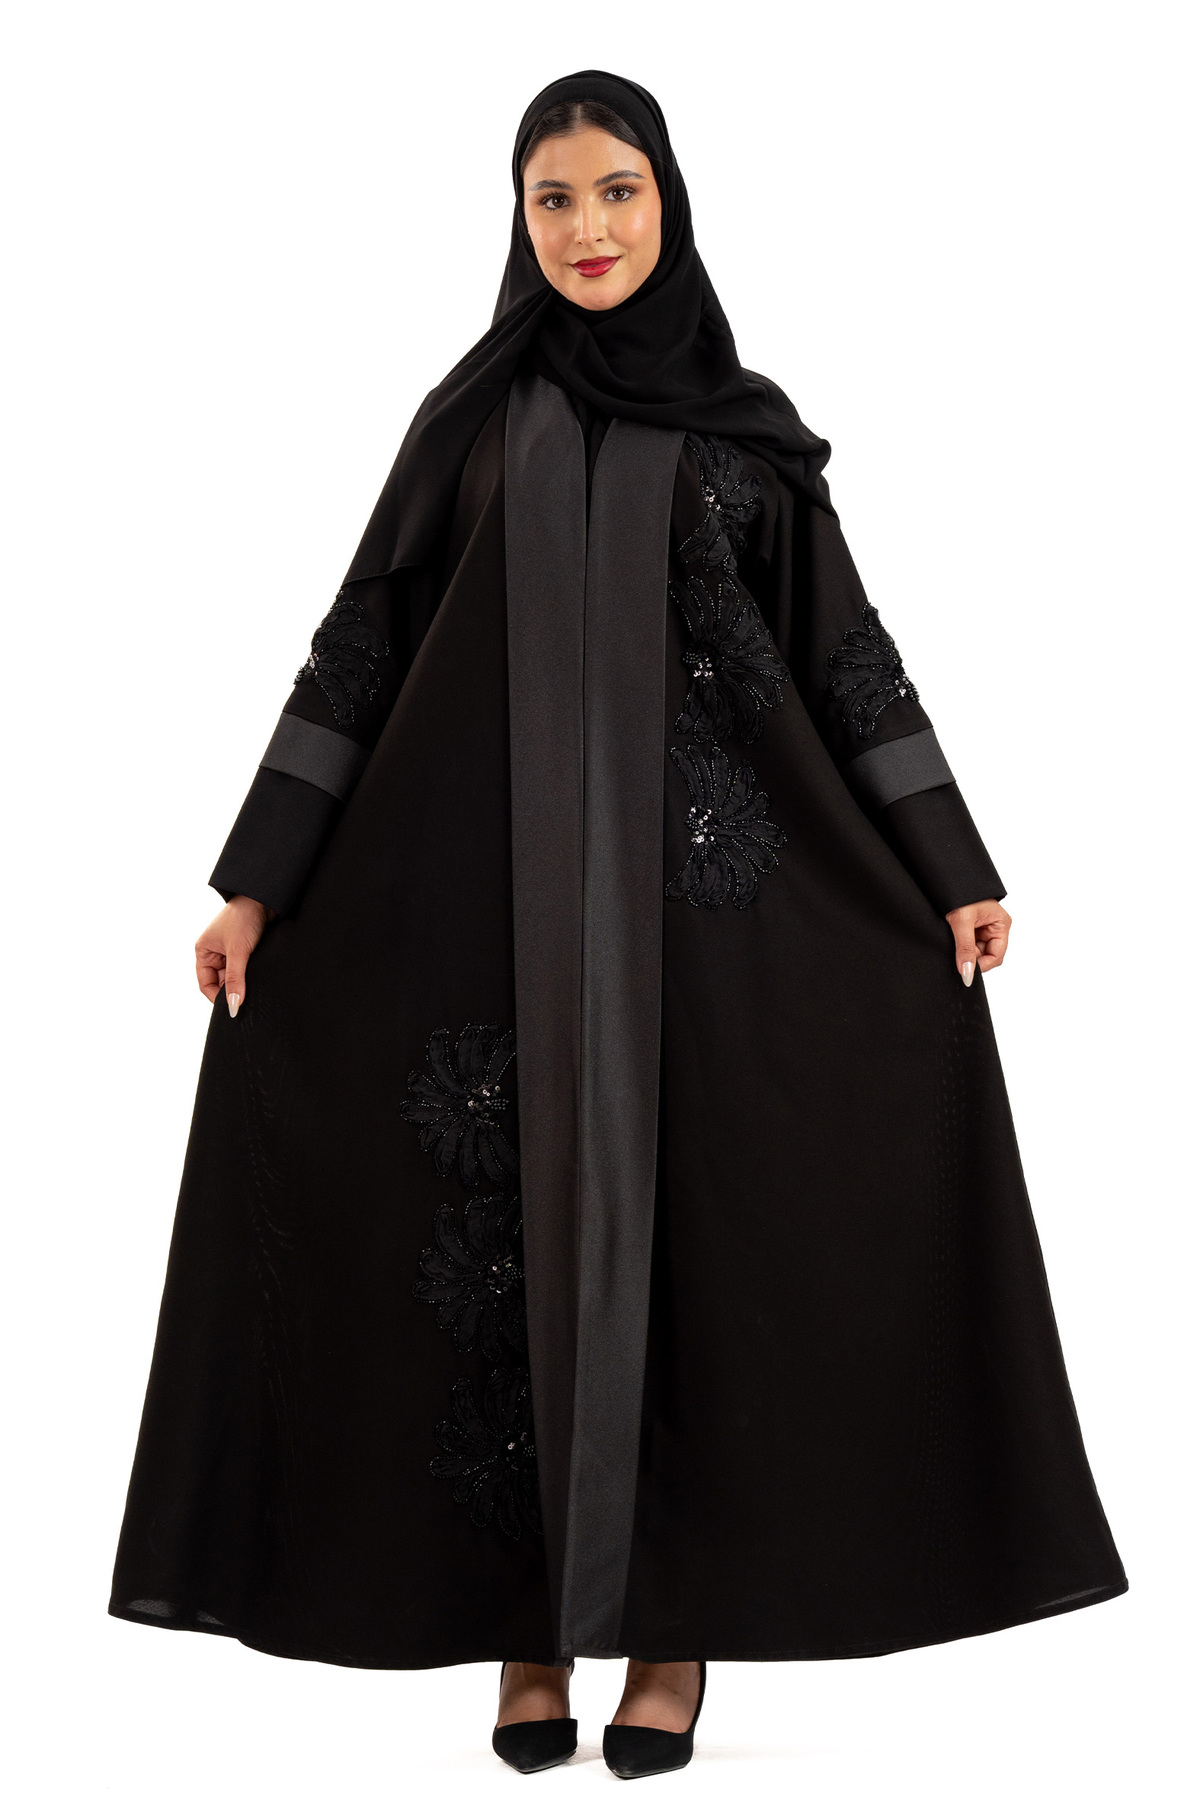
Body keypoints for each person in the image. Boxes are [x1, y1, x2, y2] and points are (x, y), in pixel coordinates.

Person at [109, 71, 1126, 1780]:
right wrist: (257, 879)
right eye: (553, 198)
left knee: (706, 1261)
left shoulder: (746, 432)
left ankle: (673, 1635)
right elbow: (361, 647)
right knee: (491, 1261)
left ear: (671, 201)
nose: (587, 228)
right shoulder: (467, 426)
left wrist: (948, 864)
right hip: (474, 920)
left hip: (713, 936)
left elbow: (845, 653)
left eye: (618, 191)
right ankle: (524, 1633)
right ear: (518, 221)